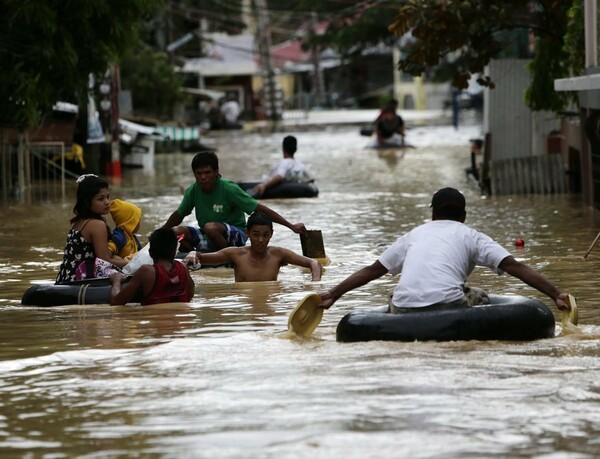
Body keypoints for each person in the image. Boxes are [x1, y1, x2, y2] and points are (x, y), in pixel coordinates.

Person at [319, 187, 571, 314]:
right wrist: (555, 294)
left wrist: (333, 293)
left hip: (402, 308)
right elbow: (515, 267)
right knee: (480, 295)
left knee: (394, 294)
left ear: (432, 213)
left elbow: (372, 270)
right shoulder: (472, 236)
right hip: (448, 307)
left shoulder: (413, 235)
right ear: (463, 215)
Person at [162, 151, 307, 253]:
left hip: (235, 235)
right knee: (175, 232)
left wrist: (291, 226)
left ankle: (229, 258)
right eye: (199, 174)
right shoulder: (192, 191)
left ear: (216, 172)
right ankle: (198, 255)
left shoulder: (229, 188)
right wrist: (160, 234)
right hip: (208, 234)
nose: (203, 177)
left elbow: (260, 208)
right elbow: (179, 215)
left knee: (211, 227)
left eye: (207, 173)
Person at [183, 211, 322, 282]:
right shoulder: (236, 254)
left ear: (271, 234)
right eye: (256, 234)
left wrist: (315, 283)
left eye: (265, 235)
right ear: (248, 233)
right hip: (246, 304)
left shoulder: (278, 254)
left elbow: (313, 263)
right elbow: (200, 257)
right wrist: (192, 254)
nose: (261, 240)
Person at [56, 174, 128, 284]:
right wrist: (133, 265)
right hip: (79, 279)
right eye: (100, 199)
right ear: (87, 201)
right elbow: (104, 261)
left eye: (108, 197)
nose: (107, 202)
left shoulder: (79, 222)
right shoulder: (96, 224)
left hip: (65, 277)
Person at [109, 228, 195, 305]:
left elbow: (116, 302)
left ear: (150, 253)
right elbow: (190, 295)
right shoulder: (183, 268)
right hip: (182, 320)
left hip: (157, 321)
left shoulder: (146, 271)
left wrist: (116, 281)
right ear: (174, 252)